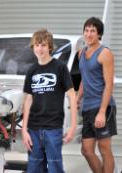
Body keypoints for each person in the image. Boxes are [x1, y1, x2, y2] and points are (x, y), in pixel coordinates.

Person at [22, 28, 77, 173]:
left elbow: (72, 95)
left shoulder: (60, 67)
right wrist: (24, 130)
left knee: (55, 168)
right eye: (37, 45)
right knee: (34, 168)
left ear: (50, 47)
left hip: (53, 128)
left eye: (44, 45)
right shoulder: (31, 70)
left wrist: (72, 126)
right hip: (33, 128)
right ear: (33, 47)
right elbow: (27, 100)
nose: (40, 49)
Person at [77, 17, 117, 173]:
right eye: (86, 30)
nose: (88, 34)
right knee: (86, 150)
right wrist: (78, 98)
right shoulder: (81, 53)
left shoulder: (105, 53)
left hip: (103, 107)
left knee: (104, 149)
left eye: (92, 30)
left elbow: (109, 84)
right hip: (87, 108)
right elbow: (83, 79)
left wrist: (102, 112)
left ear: (99, 34)